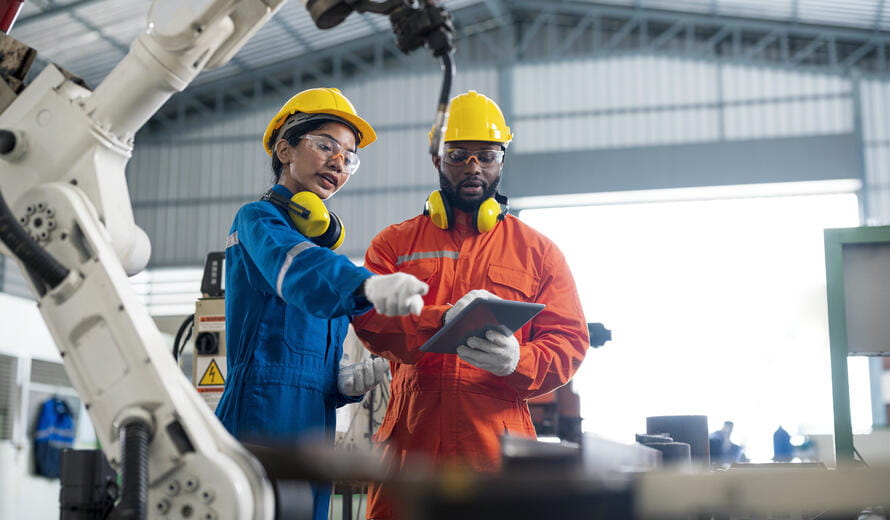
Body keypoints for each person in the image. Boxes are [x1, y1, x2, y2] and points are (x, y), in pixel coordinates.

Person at [351, 90, 590, 519]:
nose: (473, 167)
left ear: (502, 160)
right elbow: (369, 319)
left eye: (486, 155)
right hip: (412, 444)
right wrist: (441, 321)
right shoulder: (395, 245)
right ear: (437, 160)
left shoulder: (538, 252)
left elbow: (569, 341)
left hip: (495, 450)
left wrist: (520, 359)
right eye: (459, 155)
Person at [215, 87, 429, 520]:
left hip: (314, 421)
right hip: (260, 415)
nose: (338, 162)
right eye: (326, 146)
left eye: (349, 157)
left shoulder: (324, 255)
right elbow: (295, 273)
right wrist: (368, 285)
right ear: (285, 148)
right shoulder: (258, 221)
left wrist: (338, 385)